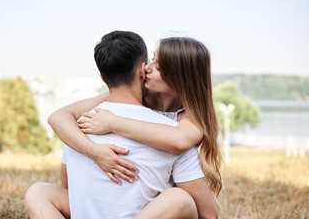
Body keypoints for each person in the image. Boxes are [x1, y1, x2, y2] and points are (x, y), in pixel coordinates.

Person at [25, 31, 220, 218]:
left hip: (153, 210)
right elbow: (59, 116)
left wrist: (113, 122)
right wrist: (92, 150)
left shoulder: (187, 121)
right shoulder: (121, 101)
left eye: (158, 66)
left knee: (178, 199)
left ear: (181, 79)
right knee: (38, 192)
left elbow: (180, 139)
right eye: (151, 59)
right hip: (110, 203)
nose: (147, 67)